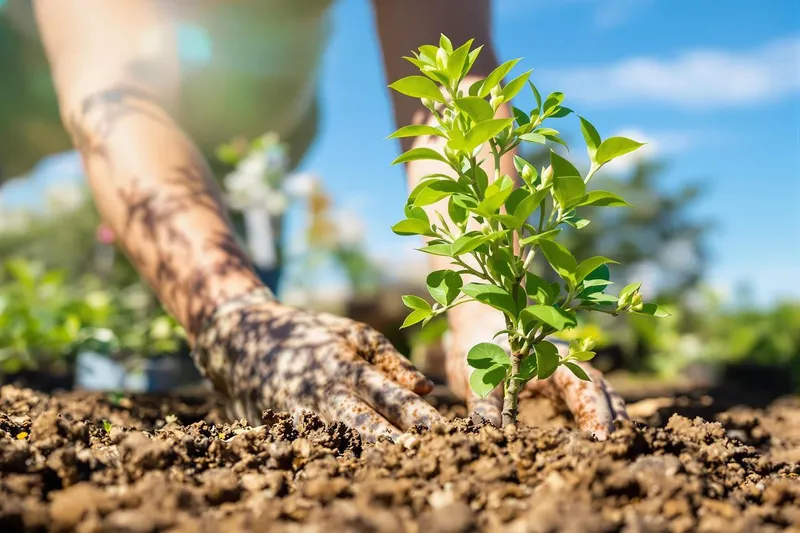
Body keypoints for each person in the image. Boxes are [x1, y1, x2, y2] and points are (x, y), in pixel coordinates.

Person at [24, 0, 628, 441]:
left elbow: (449, 82)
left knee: (261, 347)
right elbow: (116, 92)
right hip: (21, 81)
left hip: (251, 116)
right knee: (233, 322)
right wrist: (231, 314)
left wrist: (489, 307)